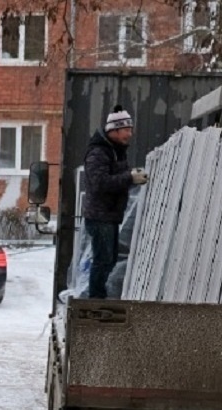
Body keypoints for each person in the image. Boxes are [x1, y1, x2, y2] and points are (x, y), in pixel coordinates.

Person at [82, 105, 148, 299]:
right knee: (103, 260)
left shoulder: (115, 151)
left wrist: (131, 176)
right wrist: (129, 178)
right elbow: (99, 183)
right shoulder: (99, 153)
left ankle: (97, 297)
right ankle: (95, 299)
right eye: (126, 130)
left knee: (108, 260)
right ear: (114, 130)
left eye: (130, 129)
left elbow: (114, 178)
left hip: (109, 215)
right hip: (100, 216)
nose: (130, 133)